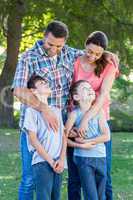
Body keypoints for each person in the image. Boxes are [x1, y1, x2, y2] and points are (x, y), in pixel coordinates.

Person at [12, 20, 119, 200]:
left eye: (59, 46)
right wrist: (44, 109)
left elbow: (90, 53)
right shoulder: (28, 57)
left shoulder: (69, 53)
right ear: (44, 36)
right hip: (36, 125)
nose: (54, 49)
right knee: (30, 178)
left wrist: (106, 53)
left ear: (65, 43)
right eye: (50, 44)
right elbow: (18, 90)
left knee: (57, 174)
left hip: (61, 124)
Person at [67, 31, 119, 200]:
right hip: (74, 117)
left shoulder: (109, 65)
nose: (93, 56)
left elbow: (103, 95)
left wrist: (86, 120)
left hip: (98, 118)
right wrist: (76, 124)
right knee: (75, 174)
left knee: (104, 173)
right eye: (89, 51)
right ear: (85, 45)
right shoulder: (75, 61)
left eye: (98, 53)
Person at [65, 80, 110, 200]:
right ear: (76, 97)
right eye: (85, 88)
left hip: (100, 157)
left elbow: (107, 136)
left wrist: (85, 142)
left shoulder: (100, 112)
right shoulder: (74, 114)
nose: (90, 89)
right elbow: (64, 137)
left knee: (101, 195)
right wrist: (79, 145)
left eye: (91, 88)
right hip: (83, 158)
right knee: (91, 195)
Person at [23, 74, 66, 200]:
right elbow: (33, 139)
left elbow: (63, 136)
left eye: (46, 82)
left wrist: (62, 160)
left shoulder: (57, 111)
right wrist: (50, 161)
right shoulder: (31, 111)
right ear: (33, 91)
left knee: (55, 197)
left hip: (58, 162)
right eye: (42, 83)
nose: (46, 83)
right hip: (42, 162)